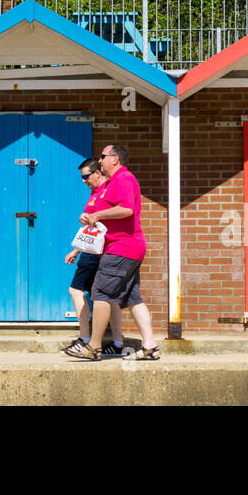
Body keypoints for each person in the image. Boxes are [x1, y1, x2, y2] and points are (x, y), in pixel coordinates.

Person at [65, 145, 160, 361]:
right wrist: (93, 218)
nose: (99, 160)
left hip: (121, 248)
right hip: (129, 248)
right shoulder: (114, 183)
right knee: (132, 296)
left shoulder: (123, 179)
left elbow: (126, 209)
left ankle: (94, 347)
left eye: (103, 157)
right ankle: (150, 346)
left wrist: (97, 215)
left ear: (114, 159)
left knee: (100, 293)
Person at [63, 158, 124, 355]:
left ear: (98, 172)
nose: (83, 181)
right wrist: (76, 250)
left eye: (86, 176)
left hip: (101, 252)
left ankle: (85, 338)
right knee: (109, 299)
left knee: (76, 290)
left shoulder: (108, 190)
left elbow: (115, 217)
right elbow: (92, 228)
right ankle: (117, 342)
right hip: (94, 250)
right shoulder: (95, 193)